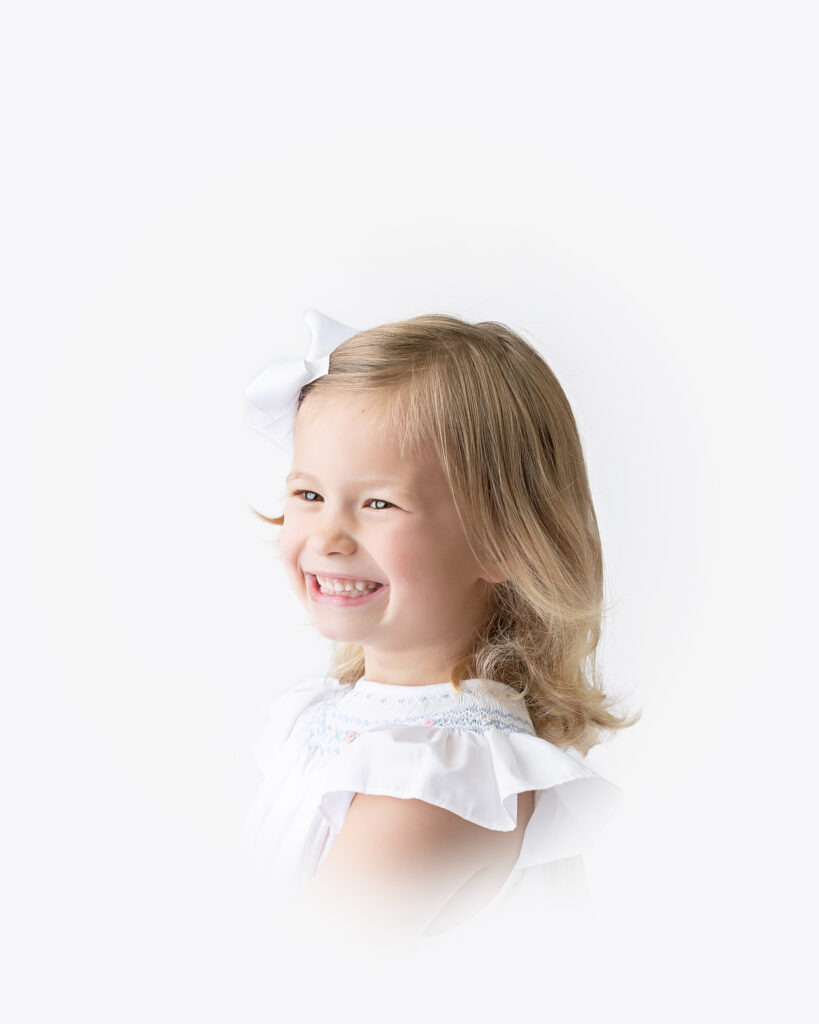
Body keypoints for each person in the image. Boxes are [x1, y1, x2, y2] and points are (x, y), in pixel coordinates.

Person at [239, 307, 641, 950]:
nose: (328, 537)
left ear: (504, 541)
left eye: (379, 503)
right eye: (308, 495)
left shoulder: (430, 786)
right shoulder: (358, 728)